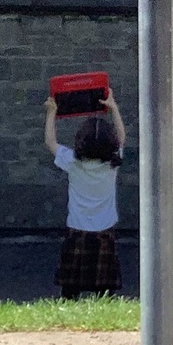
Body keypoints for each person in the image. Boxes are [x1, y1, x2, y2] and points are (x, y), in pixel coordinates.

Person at [42, 91, 127, 299]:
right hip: (104, 229)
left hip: (77, 229)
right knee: (104, 287)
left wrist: (52, 112)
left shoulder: (73, 162)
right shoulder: (112, 162)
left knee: (71, 286)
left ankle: (69, 300)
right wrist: (113, 107)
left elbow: (50, 142)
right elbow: (122, 138)